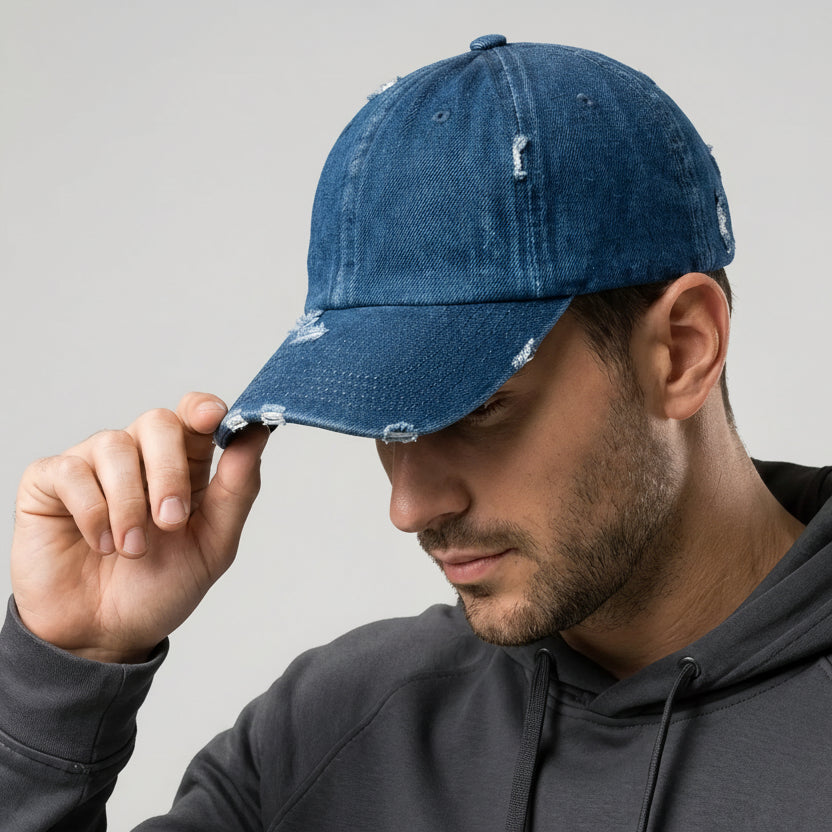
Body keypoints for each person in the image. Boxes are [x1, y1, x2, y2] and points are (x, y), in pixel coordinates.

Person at [3, 34, 831, 832]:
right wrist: (61, 680)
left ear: (683, 350)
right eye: (382, 419)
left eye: (477, 409)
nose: (408, 505)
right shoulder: (337, 728)